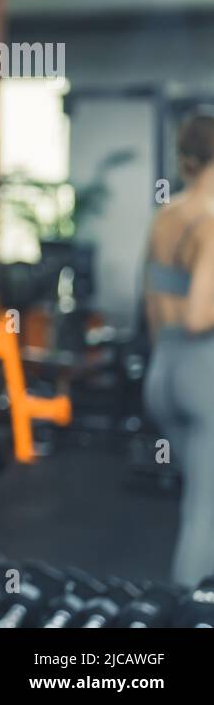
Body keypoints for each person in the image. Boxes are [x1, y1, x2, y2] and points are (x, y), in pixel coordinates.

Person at [142, 108, 214, 587]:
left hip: (163, 372)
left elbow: (156, 307)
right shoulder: (211, 221)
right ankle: (189, 613)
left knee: (201, 501)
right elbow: (198, 316)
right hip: (202, 374)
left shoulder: (166, 216)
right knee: (204, 517)